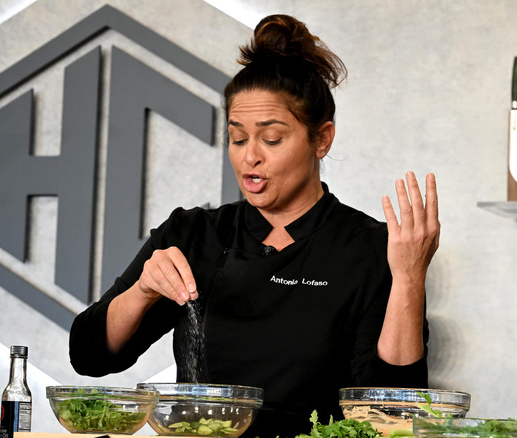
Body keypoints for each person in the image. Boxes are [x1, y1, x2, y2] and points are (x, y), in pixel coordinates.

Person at [69, 14, 439, 438]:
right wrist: (142, 292)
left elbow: (392, 412)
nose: (250, 157)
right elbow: (89, 356)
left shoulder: (370, 247)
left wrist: (409, 278)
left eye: (272, 138)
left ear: (322, 139)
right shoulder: (193, 235)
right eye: (238, 138)